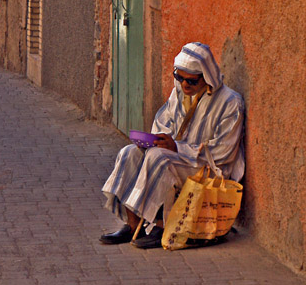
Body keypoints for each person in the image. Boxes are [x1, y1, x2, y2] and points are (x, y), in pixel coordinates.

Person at [100, 42, 245, 249]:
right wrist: (158, 140)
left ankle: (162, 225)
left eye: (191, 81)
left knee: (159, 158)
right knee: (130, 153)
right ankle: (133, 225)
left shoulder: (230, 103)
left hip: (209, 167)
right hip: (178, 156)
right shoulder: (178, 93)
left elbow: (224, 152)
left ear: (206, 77)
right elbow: (163, 123)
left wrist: (177, 148)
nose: (184, 85)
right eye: (179, 77)